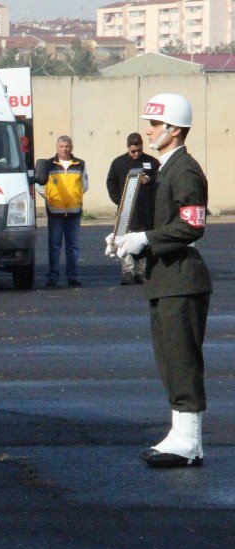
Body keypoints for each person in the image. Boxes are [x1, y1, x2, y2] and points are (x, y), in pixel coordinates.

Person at [111, 94, 211, 469]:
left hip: (182, 279)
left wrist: (146, 240)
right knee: (170, 359)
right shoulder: (166, 168)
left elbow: (193, 224)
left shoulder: (183, 170)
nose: (150, 130)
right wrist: (128, 240)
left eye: (155, 124)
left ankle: (189, 440)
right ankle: (181, 433)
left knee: (182, 360)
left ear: (174, 129)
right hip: (167, 279)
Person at [106, 133, 159, 285]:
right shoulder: (118, 163)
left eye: (139, 151)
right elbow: (111, 183)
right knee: (125, 238)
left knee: (141, 240)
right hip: (126, 209)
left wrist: (150, 180)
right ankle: (128, 271)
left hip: (145, 209)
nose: (136, 154)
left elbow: (161, 179)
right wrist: (118, 200)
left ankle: (141, 271)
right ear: (128, 148)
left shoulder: (151, 162)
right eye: (133, 151)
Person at [36, 136, 88, 288]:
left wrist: (75, 196)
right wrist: (50, 196)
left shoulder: (80, 164)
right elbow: (40, 185)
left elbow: (84, 185)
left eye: (67, 146)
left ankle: (72, 276)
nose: (64, 149)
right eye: (61, 146)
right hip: (55, 212)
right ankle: (53, 276)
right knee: (54, 247)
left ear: (71, 147)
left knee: (73, 247)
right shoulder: (49, 165)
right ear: (56, 147)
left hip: (74, 212)